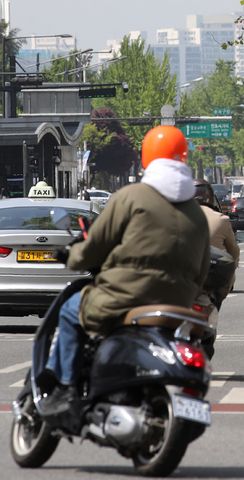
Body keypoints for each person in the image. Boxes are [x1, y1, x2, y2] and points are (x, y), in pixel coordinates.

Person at [41, 125, 210, 413]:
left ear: (146, 157)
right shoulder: (197, 212)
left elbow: (96, 245)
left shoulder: (131, 197)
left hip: (126, 296)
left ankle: (66, 388)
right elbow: (202, 270)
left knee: (70, 311)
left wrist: (71, 257)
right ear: (184, 157)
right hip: (178, 303)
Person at [193, 178, 240, 305]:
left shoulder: (178, 216)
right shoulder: (222, 219)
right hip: (213, 276)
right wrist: (233, 267)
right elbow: (233, 251)